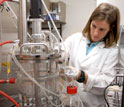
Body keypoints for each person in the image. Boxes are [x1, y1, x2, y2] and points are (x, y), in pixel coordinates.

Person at [60, 3, 120, 107]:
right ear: (90, 22)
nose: (96, 33)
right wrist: (60, 55)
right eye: (94, 26)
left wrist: (81, 76)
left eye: (102, 29)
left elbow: (104, 84)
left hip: (92, 104)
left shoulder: (112, 51)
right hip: (69, 102)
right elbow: (62, 49)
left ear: (111, 28)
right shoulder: (75, 39)